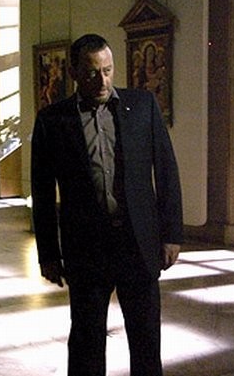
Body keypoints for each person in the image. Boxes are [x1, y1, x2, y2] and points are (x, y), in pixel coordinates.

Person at [31, 34, 183, 376]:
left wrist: (172, 233)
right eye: (91, 73)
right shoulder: (52, 120)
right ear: (73, 73)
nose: (102, 80)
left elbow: (166, 170)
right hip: (87, 248)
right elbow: (42, 192)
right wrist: (48, 254)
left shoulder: (142, 105)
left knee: (146, 340)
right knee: (86, 342)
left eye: (108, 70)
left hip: (137, 243)